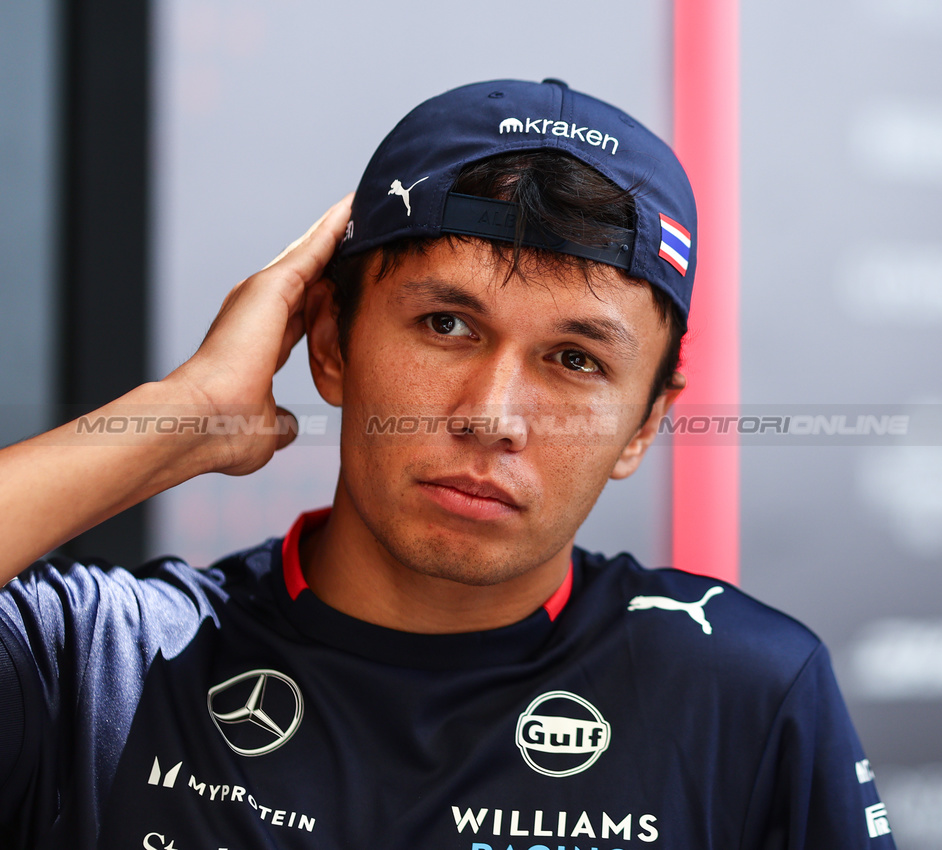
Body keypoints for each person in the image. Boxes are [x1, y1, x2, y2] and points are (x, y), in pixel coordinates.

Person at [0, 79, 895, 849]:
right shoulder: (104, 666)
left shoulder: (741, 688)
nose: (493, 416)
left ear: (643, 425)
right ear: (330, 343)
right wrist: (182, 417)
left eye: (576, 359)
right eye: (446, 325)